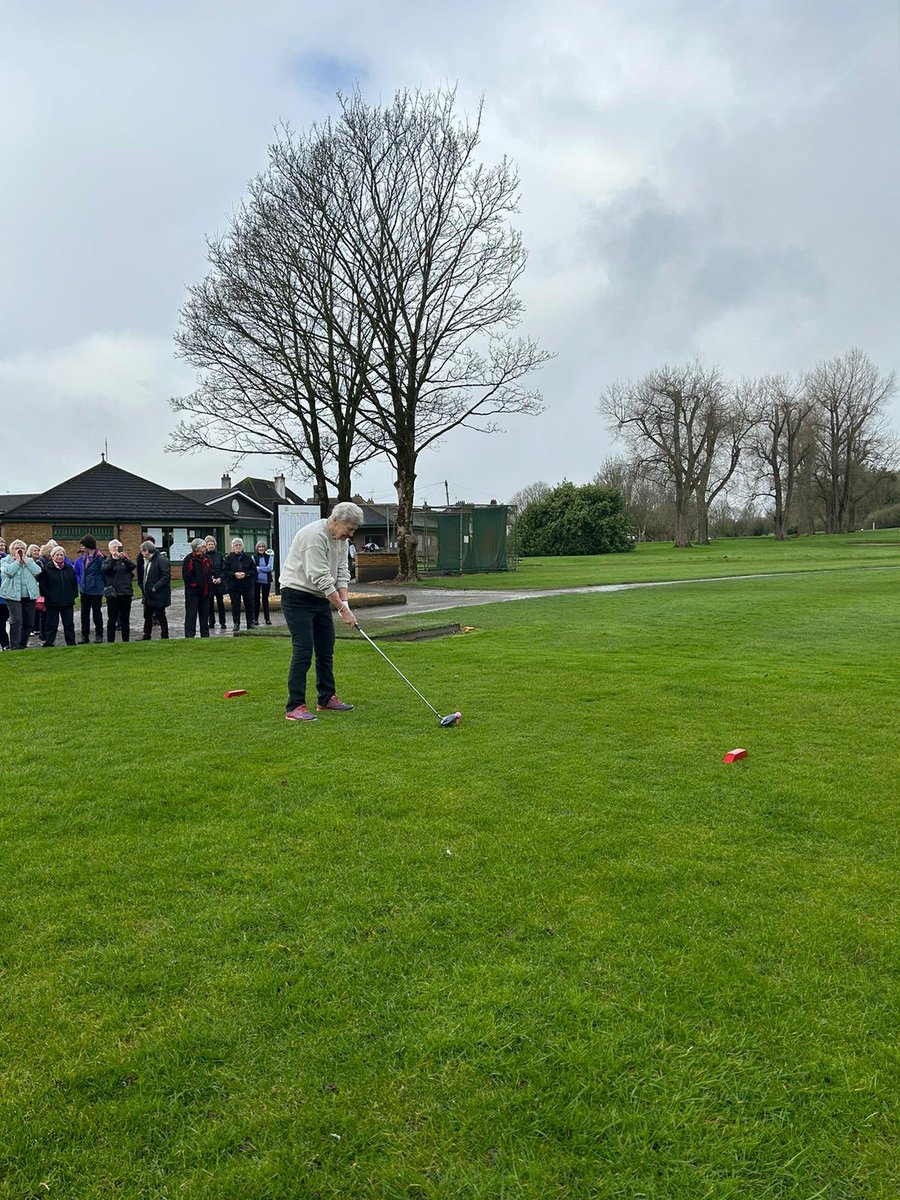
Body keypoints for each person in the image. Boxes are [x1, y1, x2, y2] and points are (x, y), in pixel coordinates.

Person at [279, 501, 362, 722]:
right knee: (303, 650)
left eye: (353, 530)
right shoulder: (313, 536)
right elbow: (321, 578)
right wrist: (342, 610)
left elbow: (342, 572)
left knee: (326, 648)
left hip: (318, 598)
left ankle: (326, 698)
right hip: (296, 595)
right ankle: (294, 706)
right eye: (349, 529)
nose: (350, 534)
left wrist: (346, 605)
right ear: (335, 521)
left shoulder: (340, 539)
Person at [0, 539, 41, 649]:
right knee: (16, 620)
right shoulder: (5, 561)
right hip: (12, 596)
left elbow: (37, 571)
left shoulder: (30, 561)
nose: (19, 550)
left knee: (29, 623)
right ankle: (14, 646)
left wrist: (25, 561)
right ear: (11, 550)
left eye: (22, 548)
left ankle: (22, 645)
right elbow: (8, 572)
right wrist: (17, 561)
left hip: (29, 595)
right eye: (16, 548)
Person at [41, 545, 79, 647]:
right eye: (57, 555)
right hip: (52, 602)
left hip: (67, 601)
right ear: (52, 556)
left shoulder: (69, 568)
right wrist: (49, 596)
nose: (59, 557)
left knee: (69, 624)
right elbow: (43, 586)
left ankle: (71, 642)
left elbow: (74, 583)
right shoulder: (46, 569)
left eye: (61, 555)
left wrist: (73, 595)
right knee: (52, 624)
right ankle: (49, 642)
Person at [101, 540, 137, 642]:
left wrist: (124, 558)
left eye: (119, 548)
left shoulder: (125, 561)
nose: (117, 550)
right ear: (110, 549)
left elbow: (133, 567)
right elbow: (105, 570)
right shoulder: (107, 561)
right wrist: (113, 559)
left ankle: (126, 640)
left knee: (125, 618)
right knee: (112, 618)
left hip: (125, 593)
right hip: (113, 594)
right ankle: (110, 640)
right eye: (114, 548)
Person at [74, 535, 105, 643]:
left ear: (88, 545)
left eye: (83, 545)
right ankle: (84, 636)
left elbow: (103, 573)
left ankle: (99, 635)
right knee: (84, 613)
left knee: (97, 613)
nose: (82, 548)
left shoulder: (99, 558)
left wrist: (100, 585)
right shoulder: (84, 557)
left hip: (96, 589)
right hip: (84, 589)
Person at [139, 539, 171, 639]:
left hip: (158, 594)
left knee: (160, 615)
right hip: (148, 594)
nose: (141, 553)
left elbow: (166, 576)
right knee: (147, 616)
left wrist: (155, 587)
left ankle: (164, 635)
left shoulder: (160, 560)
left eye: (142, 551)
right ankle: (147, 635)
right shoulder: (146, 560)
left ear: (147, 550)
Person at [182, 538, 212, 637]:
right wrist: (196, 585)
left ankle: (205, 635)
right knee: (191, 615)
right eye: (204, 546)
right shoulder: (189, 559)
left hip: (205, 593)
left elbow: (210, 570)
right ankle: (190, 635)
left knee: (204, 615)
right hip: (193, 594)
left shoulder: (206, 558)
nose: (205, 548)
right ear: (198, 548)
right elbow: (187, 576)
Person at [224, 538, 257, 631]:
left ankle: (250, 623)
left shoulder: (248, 558)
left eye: (240, 545)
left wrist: (245, 574)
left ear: (242, 547)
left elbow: (253, 570)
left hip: (247, 585)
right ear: (233, 547)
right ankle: (236, 623)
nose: (238, 547)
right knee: (235, 605)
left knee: (249, 604)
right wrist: (234, 574)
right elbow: (225, 571)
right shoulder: (228, 558)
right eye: (236, 545)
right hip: (234, 585)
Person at [204, 536, 227, 630]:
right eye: (209, 544)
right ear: (206, 545)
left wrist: (220, 578)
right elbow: (205, 569)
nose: (211, 546)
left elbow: (224, 568)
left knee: (221, 603)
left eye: (212, 544)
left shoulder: (220, 555)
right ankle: (211, 622)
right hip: (210, 583)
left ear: (215, 545)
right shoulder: (204, 556)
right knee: (210, 604)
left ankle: (223, 622)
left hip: (220, 583)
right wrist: (211, 578)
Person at [253, 541, 274, 625]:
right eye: (259, 547)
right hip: (256, 581)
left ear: (265, 548)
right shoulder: (253, 557)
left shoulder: (269, 557)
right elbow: (254, 568)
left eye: (262, 547)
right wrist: (263, 568)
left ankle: (267, 619)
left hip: (266, 581)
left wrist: (259, 568)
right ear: (257, 548)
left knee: (265, 600)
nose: (261, 548)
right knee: (256, 600)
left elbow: (269, 568)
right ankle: (255, 619)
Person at [0, 537, 8, 650]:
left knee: (1, 622)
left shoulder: (7, 560)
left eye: (2, 544)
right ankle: (5, 643)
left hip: (5, 597)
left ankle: (6, 644)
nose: (1, 547)